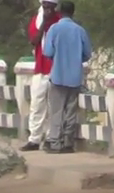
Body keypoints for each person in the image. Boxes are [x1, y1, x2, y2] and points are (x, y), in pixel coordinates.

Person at [43, 1, 92, 154]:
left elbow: (47, 52)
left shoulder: (54, 29)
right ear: (73, 12)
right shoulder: (80, 30)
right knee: (71, 110)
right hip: (74, 77)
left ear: (60, 11)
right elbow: (87, 54)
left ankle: (55, 142)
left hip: (57, 75)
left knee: (57, 110)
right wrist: (76, 59)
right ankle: (68, 143)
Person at [21, 0, 61, 152]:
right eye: (45, 7)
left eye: (50, 7)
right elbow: (34, 41)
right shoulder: (37, 20)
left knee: (53, 106)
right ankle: (34, 139)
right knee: (37, 105)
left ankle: (51, 138)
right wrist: (44, 22)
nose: (47, 10)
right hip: (40, 68)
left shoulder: (59, 21)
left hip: (55, 69)